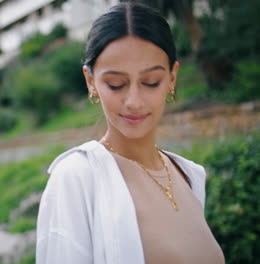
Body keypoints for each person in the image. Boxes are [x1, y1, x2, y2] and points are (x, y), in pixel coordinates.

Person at [35, 2, 225, 264]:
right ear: (91, 81)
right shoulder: (77, 178)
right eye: (116, 84)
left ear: (172, 79)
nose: (134, 101)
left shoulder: (190, 176)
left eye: (151, 82)